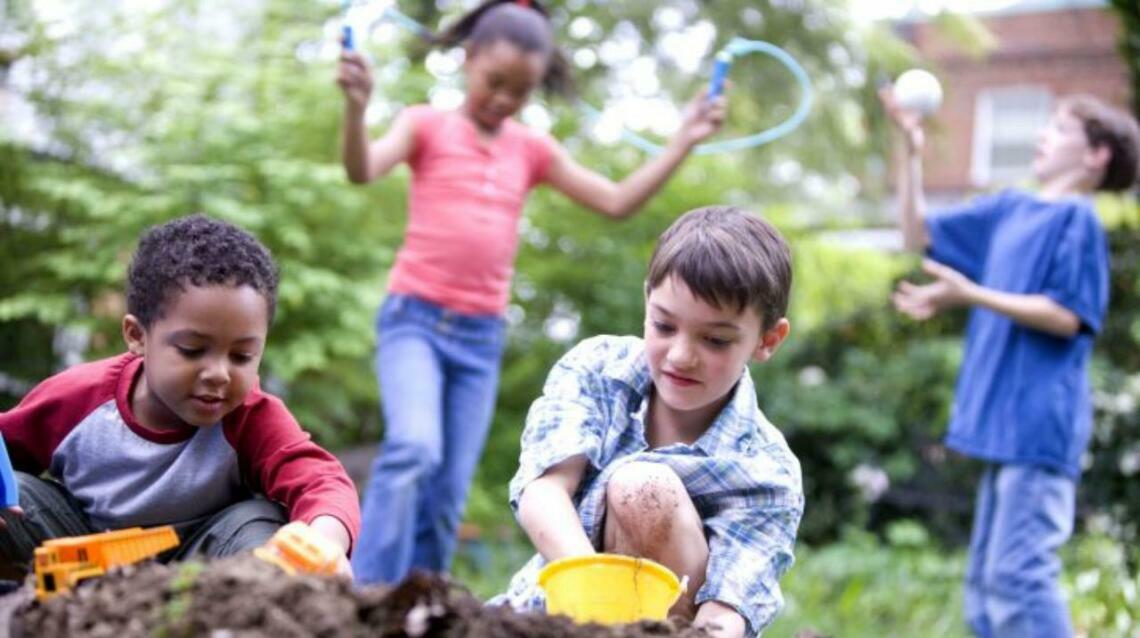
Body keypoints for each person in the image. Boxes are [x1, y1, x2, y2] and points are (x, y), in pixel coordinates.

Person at [336, 0, 728, 585]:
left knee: (448, 487)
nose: (503, 98)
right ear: (468, 60)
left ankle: (422, 604)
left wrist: (684, 140)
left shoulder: (531, 149)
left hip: (479, 337)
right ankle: (361, 595)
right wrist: (356, 108)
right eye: (494, 81)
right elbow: (362, 168)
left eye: (520, 90)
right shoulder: (425, 124)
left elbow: (616, 201)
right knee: (414, 449)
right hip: (414, 320)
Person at [881, 88, 1139, 637]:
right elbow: (916, 234)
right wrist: (910, 150)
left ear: (1097, 156)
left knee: (1019, 580)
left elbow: (1067, 315)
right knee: (985, 593)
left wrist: (972, 294)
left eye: (1061, 129)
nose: (1043, 136)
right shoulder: (1008, 209)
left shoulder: (1078, 220)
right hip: (1000, 426)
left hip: (1038, 427)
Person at [495, 206, 803, 638]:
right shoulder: (598, 368)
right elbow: (544, 490)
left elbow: (726, 611)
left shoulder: (767, 471)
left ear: (768, 340)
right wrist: (590, 596)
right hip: (553, 614)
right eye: (663, 325)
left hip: (669, 625)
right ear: (647, 303)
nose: (680, 355)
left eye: (715, 340)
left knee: (643, 489)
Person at [0, 215, 361, 575]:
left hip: (203, 571)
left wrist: (324, 542)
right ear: (137, 336)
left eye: (241, 356)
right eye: (192, 349)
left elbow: (321, 481)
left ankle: (250, 606)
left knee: (262, 522)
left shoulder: (250, 416)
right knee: (15, 493)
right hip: (80, 559)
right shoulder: (77, 398)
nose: (219, 373)